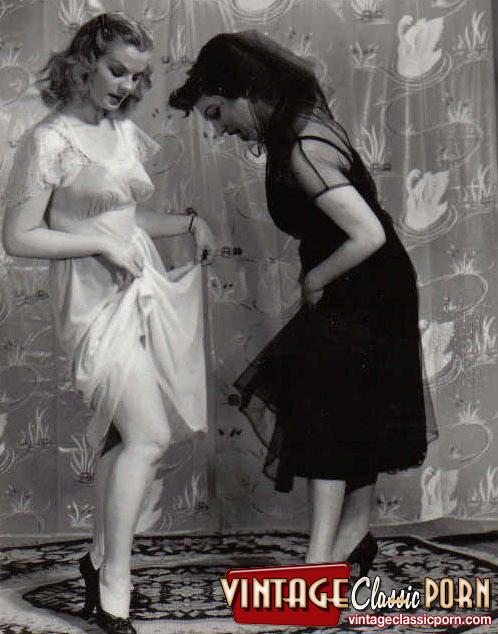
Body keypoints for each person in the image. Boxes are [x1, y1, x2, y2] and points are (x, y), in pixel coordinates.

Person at [169, 31, 433, 572]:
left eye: (217, 113)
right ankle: (348, 543)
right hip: (365, 283)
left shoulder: (303, 147)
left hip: (366, 286)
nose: (219, 129)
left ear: (244, 92)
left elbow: (368, 234)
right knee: (344, 412)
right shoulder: (297, 130)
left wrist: (315, 280)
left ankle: (318, 568)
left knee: (326, 417)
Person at [3, 13, 216, 634]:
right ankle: (115, 580)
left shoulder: (121, 132)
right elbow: (19, 237)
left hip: (140, 287)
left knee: (129, 437)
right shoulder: (48, 140)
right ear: (84, 63)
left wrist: (186, 223)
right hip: (91, 304)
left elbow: (123, 218)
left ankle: (98, 563)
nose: (127, 86)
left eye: (137, 77)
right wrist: (97, 242)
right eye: (117, 71)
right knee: (148, 436)